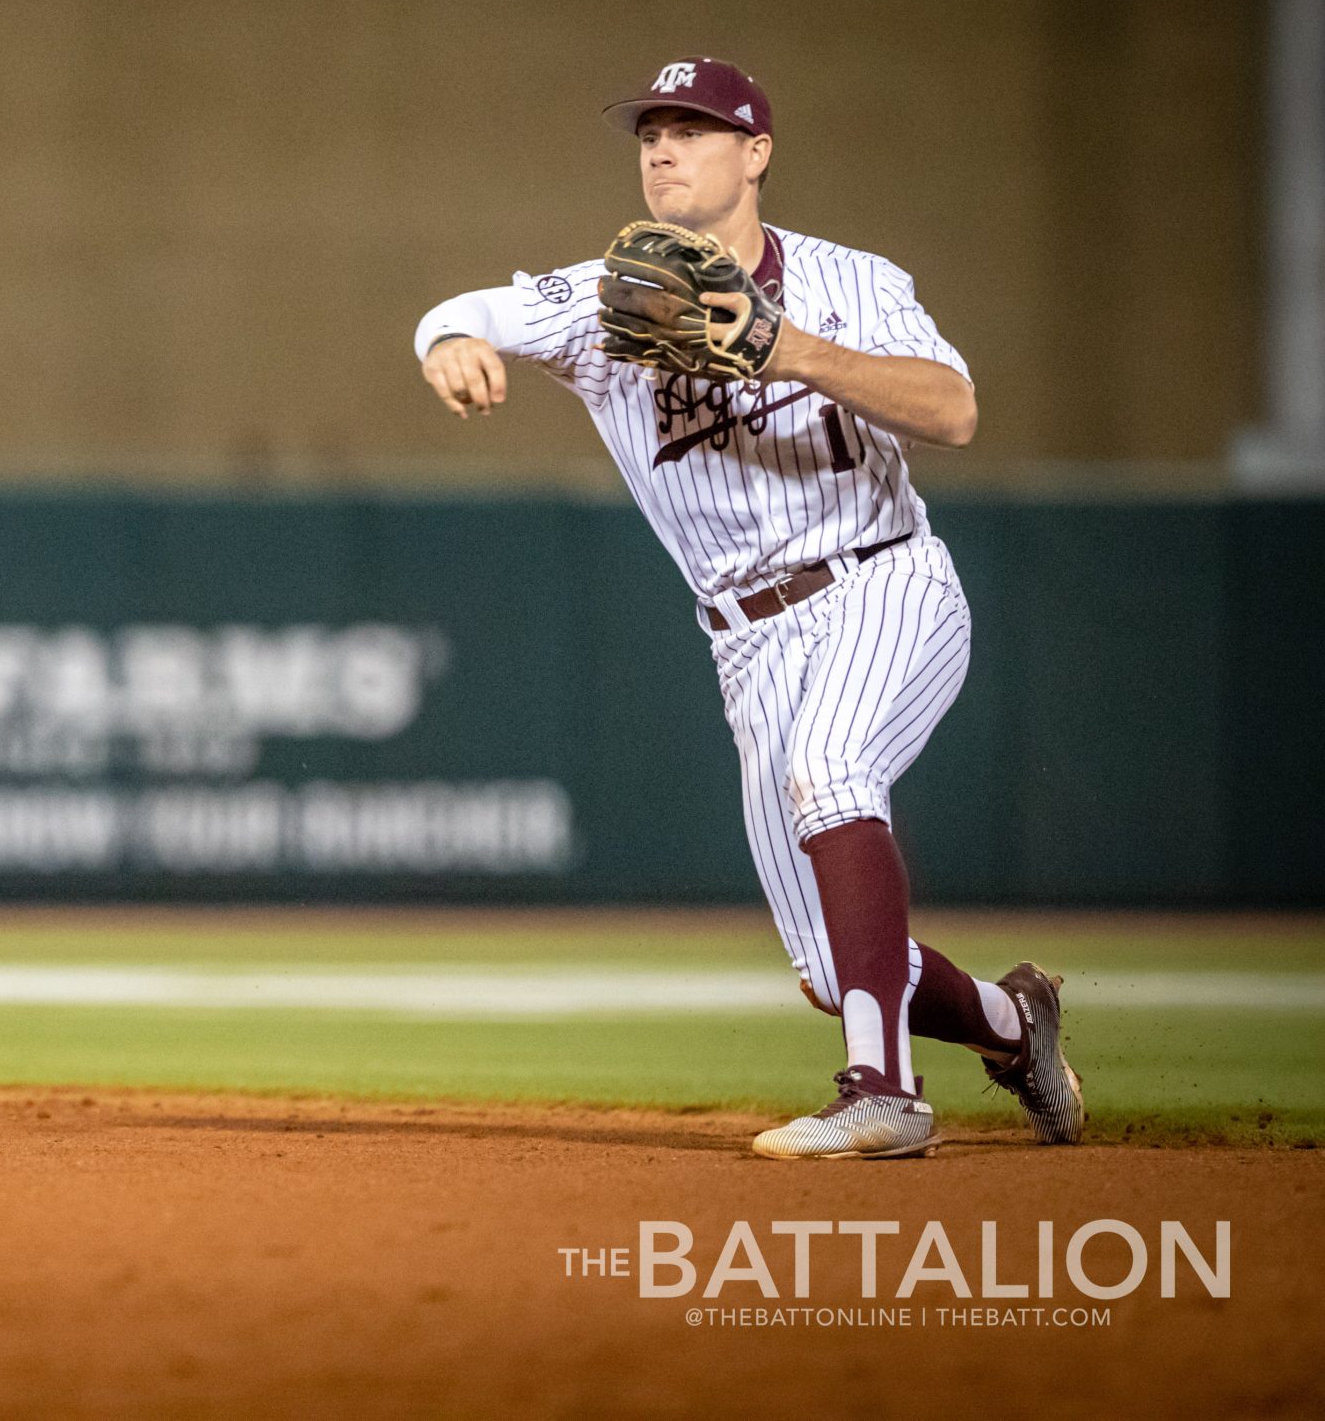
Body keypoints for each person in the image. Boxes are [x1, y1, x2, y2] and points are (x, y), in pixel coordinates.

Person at [412, 57, 1083, 1158]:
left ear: (755, 152)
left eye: (693, 128)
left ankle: (885, 1096)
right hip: (746, 640)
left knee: (830, 771)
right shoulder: (604, 298)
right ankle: (1016, 1024)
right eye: (650, 133)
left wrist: (781, 346)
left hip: (881, 580)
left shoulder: (850, 280)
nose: (662, 148)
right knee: (831, 968)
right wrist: (451, 343)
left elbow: (953, 412)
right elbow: (461, 308)